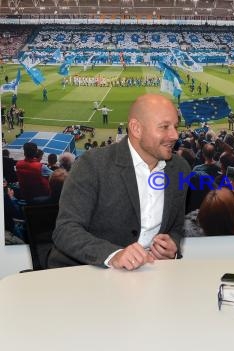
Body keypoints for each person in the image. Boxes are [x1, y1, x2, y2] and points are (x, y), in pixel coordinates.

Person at [49, 94, 191, 270]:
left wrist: (172, 248)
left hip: (150, 274)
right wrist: (114, 255)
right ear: (136, 128)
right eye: (164, 127)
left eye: (175, 127)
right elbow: (66, 230)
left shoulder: (180, 168)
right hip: (89, 274)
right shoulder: (92, 164)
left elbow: (175, 228)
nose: (175, 135)